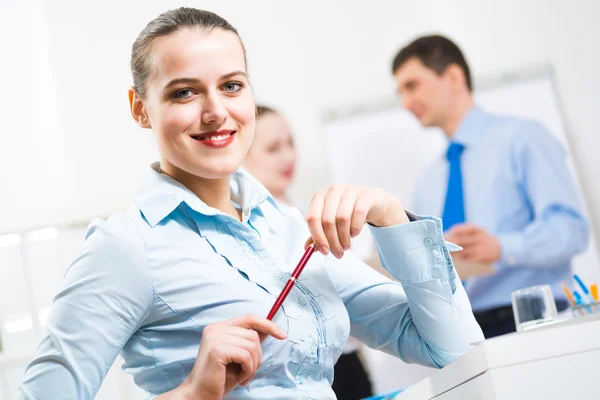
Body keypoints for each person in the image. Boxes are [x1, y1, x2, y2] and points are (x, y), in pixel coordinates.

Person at [16, 10, 483, 399]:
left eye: (232, 86)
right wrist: (192, 393)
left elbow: (453, 348)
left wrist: (391, 217)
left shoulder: (285, 226)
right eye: (184, 92)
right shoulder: (126, 246)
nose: (216, 110)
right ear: (140, 109)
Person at [391, 35, 590, 338]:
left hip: (536, 323)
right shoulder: (428, 182)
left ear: (454, 76)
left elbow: (571, 230)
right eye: (400, 93)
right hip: (465, 332)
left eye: (412, 86)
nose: (405, 103)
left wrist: (501, 247)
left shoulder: (523, 138)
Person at [244, 105, 373, 399]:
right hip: (300, 374)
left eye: (291, 143)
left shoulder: (311, 213)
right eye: (273, 148)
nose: (288, 156)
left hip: (350, 364)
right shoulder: (251, 230)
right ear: (242, 155)